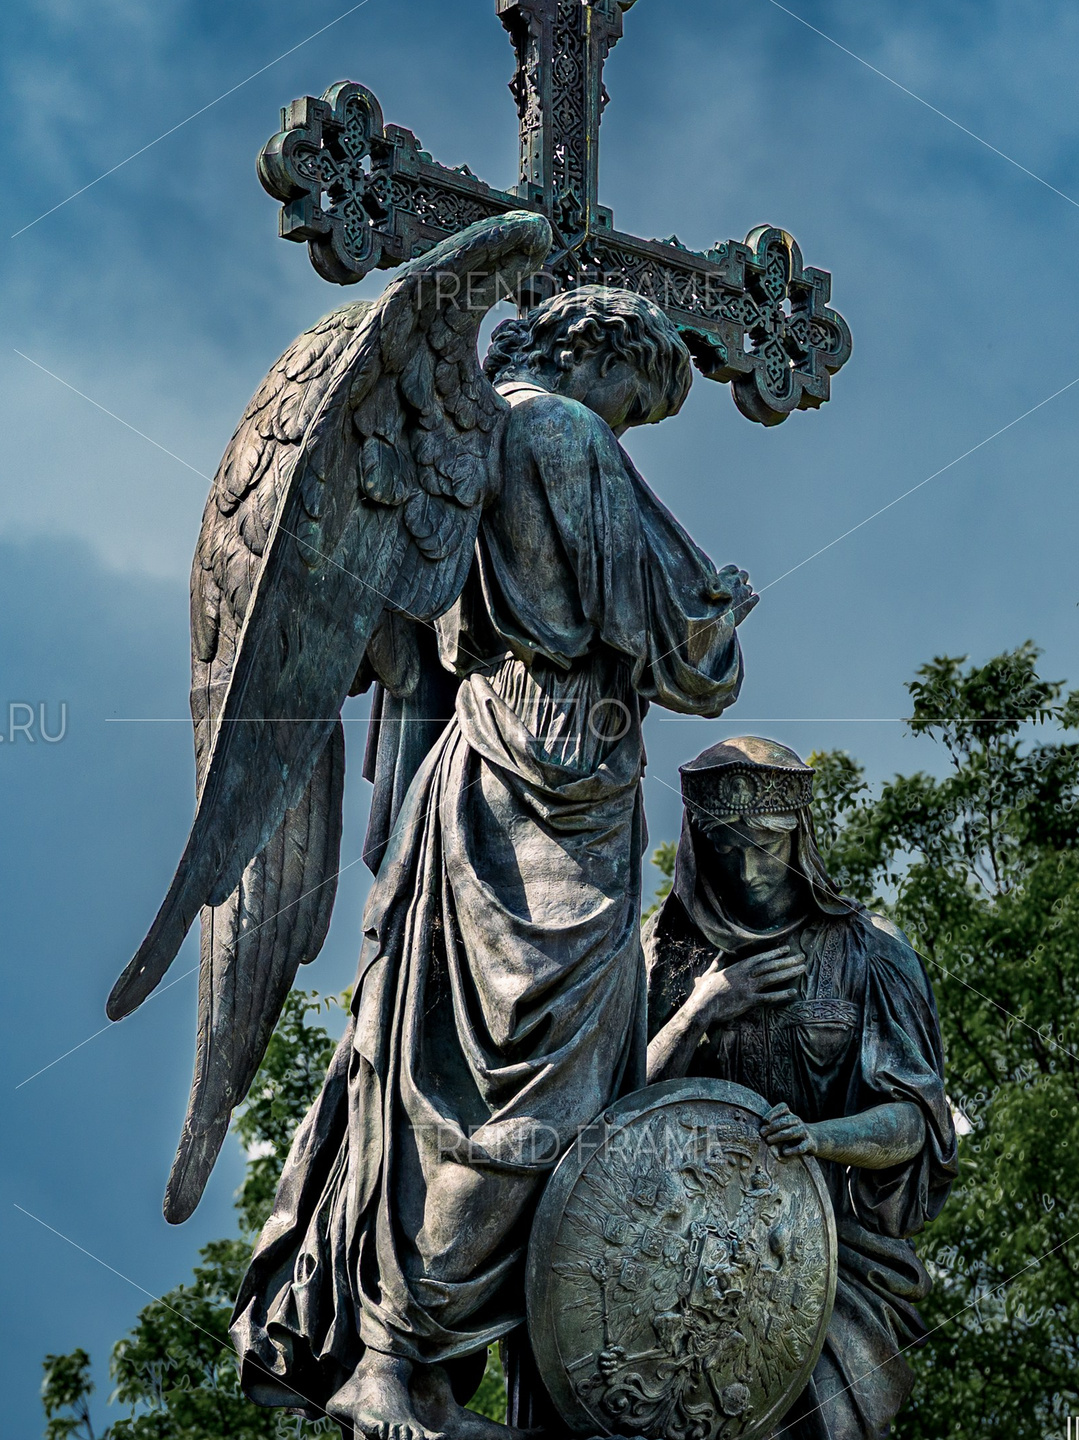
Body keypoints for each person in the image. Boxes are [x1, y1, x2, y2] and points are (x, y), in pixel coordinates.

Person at [234, 286, 758, 1440]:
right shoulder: (560, 433)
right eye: (636, 396)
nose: (627, 425)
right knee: (530, 1090)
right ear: (603, 353)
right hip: (549, 781)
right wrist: (712, 624)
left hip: (498, 769)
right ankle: (397, 1355)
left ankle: (405, 1364)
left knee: (464, 1083)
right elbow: (649, 638)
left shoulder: (481, 434)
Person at [644, 736, 958, 1440]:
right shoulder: (662, 960)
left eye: (768, 843)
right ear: (698, 843)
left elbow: (914, 1121)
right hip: (684, 1265)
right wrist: (702, 1008)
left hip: (837, 1261)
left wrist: (820, 1139)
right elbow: (615, 1116)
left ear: (800, 836)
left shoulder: (871, 953)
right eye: (726, 845)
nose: (750, 866)